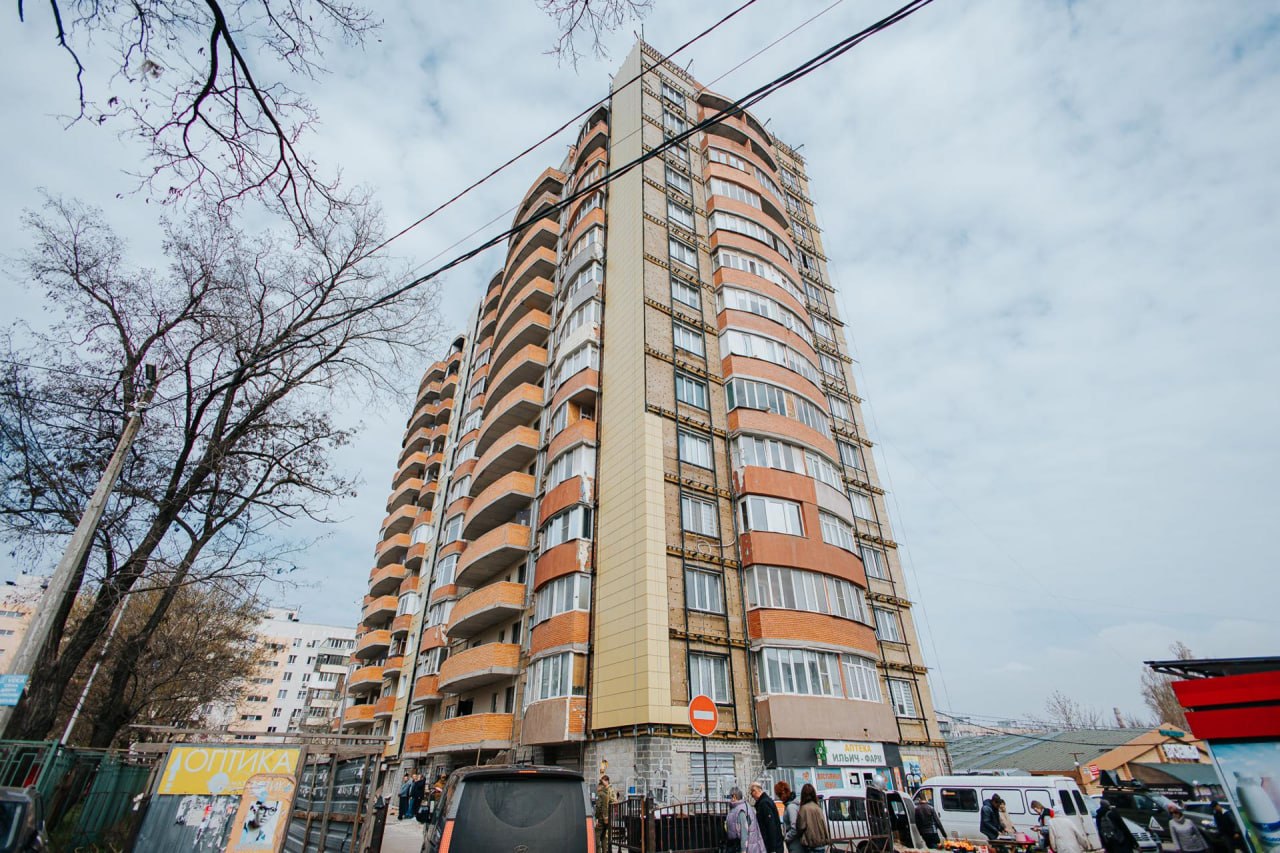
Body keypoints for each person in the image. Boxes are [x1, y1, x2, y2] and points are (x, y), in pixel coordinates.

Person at [726, 786, 767, 853]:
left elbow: (744, 832)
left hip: (744, 848)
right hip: (745, 846)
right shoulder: (741, 807)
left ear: (734, 797)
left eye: (730, 797)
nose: (729, 799)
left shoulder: (740, 810)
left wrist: (743, 850)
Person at [794, 783, 832, 853]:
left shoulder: (803, 809)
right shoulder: (818, 808)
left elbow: (800, 827)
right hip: (821, 843)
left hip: (810, 844)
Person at [750, 782, 786, 853]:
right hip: (773, 845)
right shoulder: (765, 801)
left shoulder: (764, 803)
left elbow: (771, 826)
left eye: (752, 792)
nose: (751, 795)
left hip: (772, 846)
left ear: (757, 790)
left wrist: (772, 849)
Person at [774, 781, 804, 853]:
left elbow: (794, 828)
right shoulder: (791, 805)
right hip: (796, 843)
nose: (779, 798)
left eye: (779, 795)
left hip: (795, 845)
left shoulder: (791, 807)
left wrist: (786, 837)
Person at [595, 774, 617, 851]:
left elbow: (598, 807)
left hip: (601, 818)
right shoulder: (609, 792)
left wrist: (596, 817)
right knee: (604, 836)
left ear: (600, 786)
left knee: (597, 836)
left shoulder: (600, 794)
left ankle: (598, 851)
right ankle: (605, 851)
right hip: (608, 817)